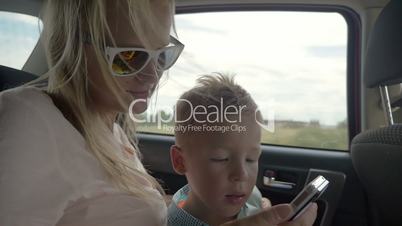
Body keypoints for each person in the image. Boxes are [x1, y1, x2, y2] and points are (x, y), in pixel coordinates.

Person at [0, 0, 317, 226]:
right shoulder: (28, 122)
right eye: (129, 56)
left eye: (162, 55)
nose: (153, 75)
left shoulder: (109, 128)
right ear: (73, 45)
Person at [168, 74, 267, 226]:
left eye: (251, 159)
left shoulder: (249, 195)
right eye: (220, 158)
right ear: (180, 161)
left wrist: (263, 207)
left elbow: (256, 201)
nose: (242, 174)